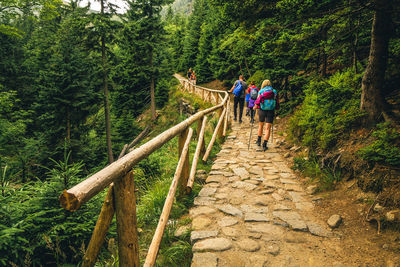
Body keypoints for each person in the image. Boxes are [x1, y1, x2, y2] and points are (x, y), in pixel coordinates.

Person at [255, 79, 279, 151]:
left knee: (260, 125)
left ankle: (259, 141)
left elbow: (258, 101)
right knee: (268, 128)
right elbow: (277, 100)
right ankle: (265, 144)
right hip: (271, 111)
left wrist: (255, 107)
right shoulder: (274, 91)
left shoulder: (261, 91)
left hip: (262, 110)